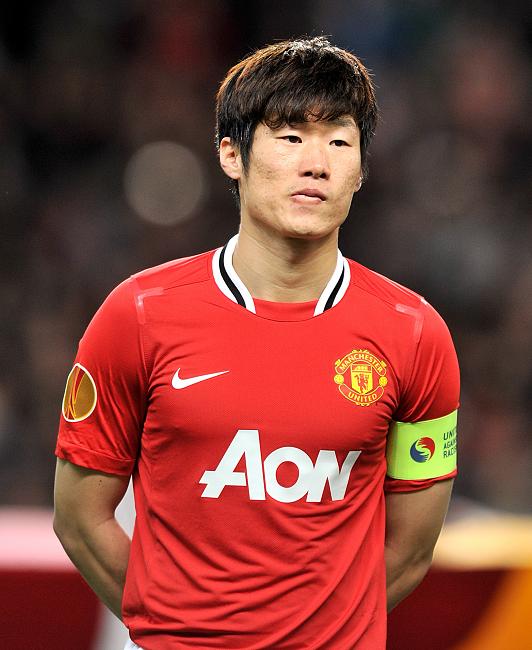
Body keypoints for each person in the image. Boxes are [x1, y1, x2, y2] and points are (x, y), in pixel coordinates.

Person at [53, 36, 459, 649]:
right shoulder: (137, 315)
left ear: (360, 170)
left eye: (339, 142)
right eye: (291, 137)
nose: (316, 163)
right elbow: (80, 519)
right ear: (231, 155)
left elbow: (411, 548)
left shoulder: (416, 334)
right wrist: (175, 631)